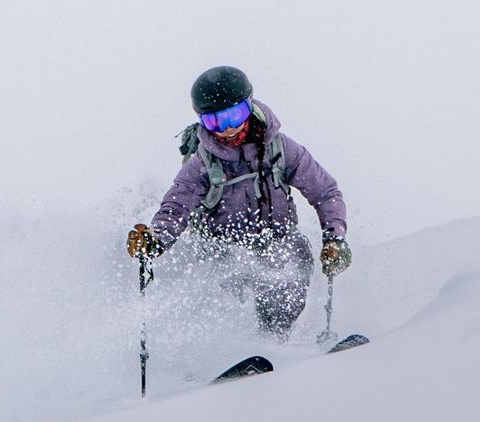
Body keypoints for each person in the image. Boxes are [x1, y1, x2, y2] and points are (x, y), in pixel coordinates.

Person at [126, 65, 352, 339]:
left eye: (235, 115)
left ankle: (277, 346)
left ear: (249, 106)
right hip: (223, 250)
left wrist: (334, 238)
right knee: (226, 281)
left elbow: (325, 191)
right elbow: (177, 206)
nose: (228, 129)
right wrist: (156, 239)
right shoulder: (203, 163)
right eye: (215, 122)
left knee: (291, 264)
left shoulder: (281, 150)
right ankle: (224, 352)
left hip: (278, 242)